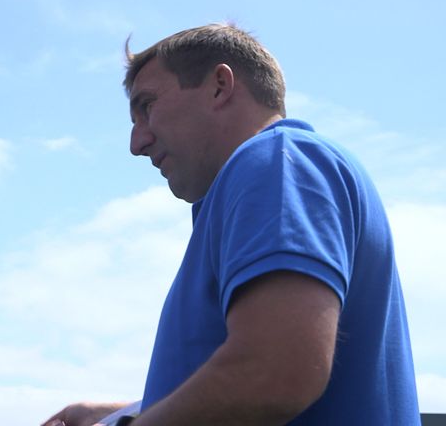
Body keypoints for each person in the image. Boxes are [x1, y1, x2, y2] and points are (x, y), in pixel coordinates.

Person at [43, 23, 420, 425]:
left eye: (147, 106)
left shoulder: (276, 161)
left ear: (220, 86)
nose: (137, 143)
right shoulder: (264, 179)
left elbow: (275, 371)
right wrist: (121, 415)